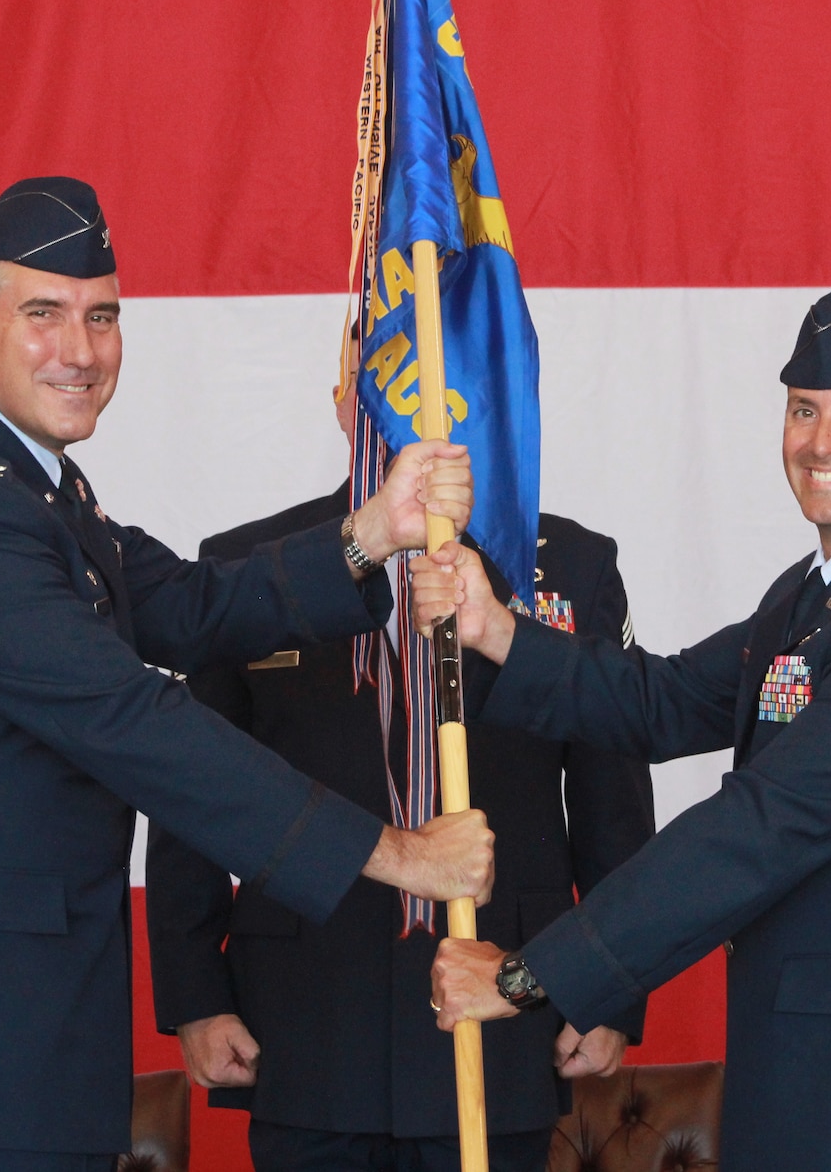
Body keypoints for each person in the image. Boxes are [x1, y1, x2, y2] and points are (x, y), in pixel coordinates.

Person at [0, 177, 496, 1172]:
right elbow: (137, 723)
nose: (81, 351)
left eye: (101, 316)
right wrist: (400, 856)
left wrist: (373, 531)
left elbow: (186, 605)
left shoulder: (29, 484)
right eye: (42, 314)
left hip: (21, 1031)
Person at [415, 289, 831, 1170]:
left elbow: (756, 829)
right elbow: (662, 699)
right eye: (803, 411)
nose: (823, 441)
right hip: (805, 1074)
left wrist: (529, 976)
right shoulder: (816, 593)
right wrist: (497, 630)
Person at [144, 329, 656, 1172]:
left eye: (441, 386)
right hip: (305, 1022)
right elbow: (192, 795)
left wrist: (608, 984)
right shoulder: (246, 568)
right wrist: (197, 992)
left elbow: (613, 802)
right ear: (345, 392)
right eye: (385, 383)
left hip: (504, 1016)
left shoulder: (569, 566)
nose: (409, 411)